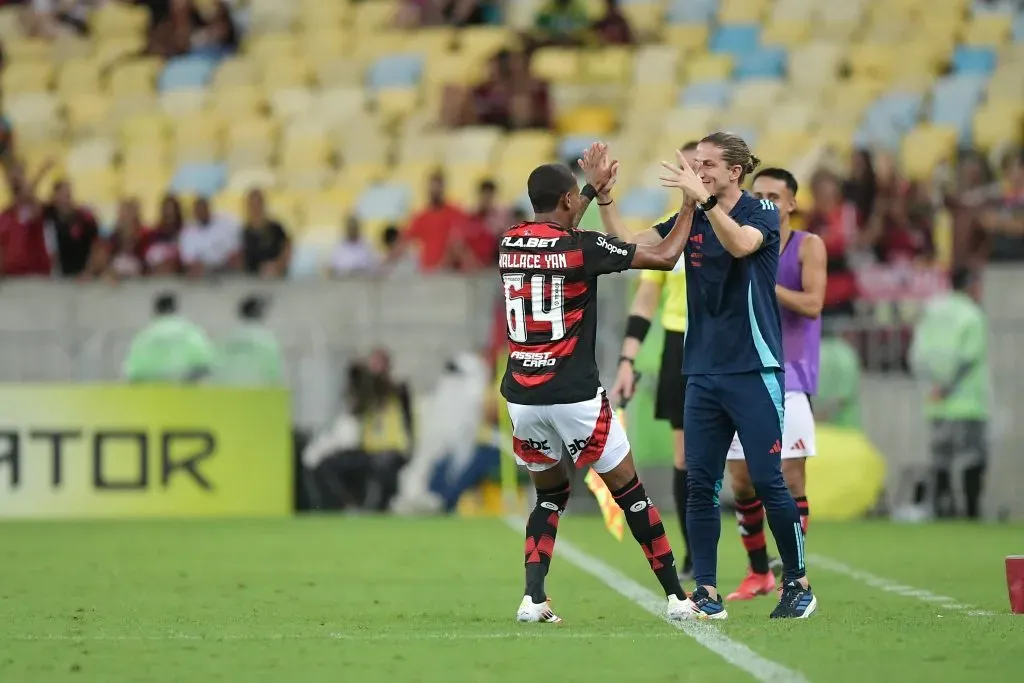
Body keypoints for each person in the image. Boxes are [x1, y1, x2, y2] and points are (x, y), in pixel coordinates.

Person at [587, 133, 815, 619]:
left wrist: (705, 201)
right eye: (696, 165)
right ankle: (707, 591)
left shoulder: (761, 214)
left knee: (767, 479)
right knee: (701, 484)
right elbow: (627, 244)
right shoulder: (688, 218)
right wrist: (604, 196)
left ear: (735, 172)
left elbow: (740, 247)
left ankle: (797, 583)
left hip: (754, 368)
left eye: (708, 164)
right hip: (702, 371)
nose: (698, 170)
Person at [501, 160, 695, 623]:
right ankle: (677, 596)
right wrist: (689, 205)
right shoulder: (581, 248)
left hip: (522, 396)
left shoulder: (510, 242)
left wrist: (590, 189)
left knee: (549, 497)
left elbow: (558, 231)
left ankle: (533, 598)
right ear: (568, 202)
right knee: (629, 492)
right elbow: (666, 257)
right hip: (574, 394)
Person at [722, 168, 826, 601]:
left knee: (789, 476)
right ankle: (758, 570)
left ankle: (793, 571)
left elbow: (813, 303)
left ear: (790, 203)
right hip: (744, 371)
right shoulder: (740, 240)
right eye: (758, 193)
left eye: (773, 195)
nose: (765, 201)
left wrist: (766, 282)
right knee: (742, 479)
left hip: (791, 374)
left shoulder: (807, 245)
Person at [611, 140, 698, 582]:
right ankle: (694, 555)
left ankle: (763, 558)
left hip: (730, 346)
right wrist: (627, 359)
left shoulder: (741, 224)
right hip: (679, 347)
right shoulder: (671, 231)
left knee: (744, 464)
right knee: (686, 460)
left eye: (698, 166)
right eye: (685, 165)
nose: (691, 172)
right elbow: (646, 297)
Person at [909, 268, 990, 519]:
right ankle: (971, 512)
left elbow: (917, 354)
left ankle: (943, 511)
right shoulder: (973, 315)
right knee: (972, 459)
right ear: (971, 285)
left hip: (936, 403)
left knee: (941, 459)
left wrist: (932, 386)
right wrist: (947, 387)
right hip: (967, 402)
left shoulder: (932, 312)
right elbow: (969, 358)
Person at [122, 292, 216, 383]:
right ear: (175, 309)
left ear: (156, 310)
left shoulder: (145, 335)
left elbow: (133, 372)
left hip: (152, 393)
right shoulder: (189, 331)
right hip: (185, 392)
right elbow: (205, 363)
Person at [212, 295, 285, 387]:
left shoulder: (224, 338)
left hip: (225, 395)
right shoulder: (267, 341)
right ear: (261, 314)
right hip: (254, 395)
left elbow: (213, 369)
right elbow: (274, 376)